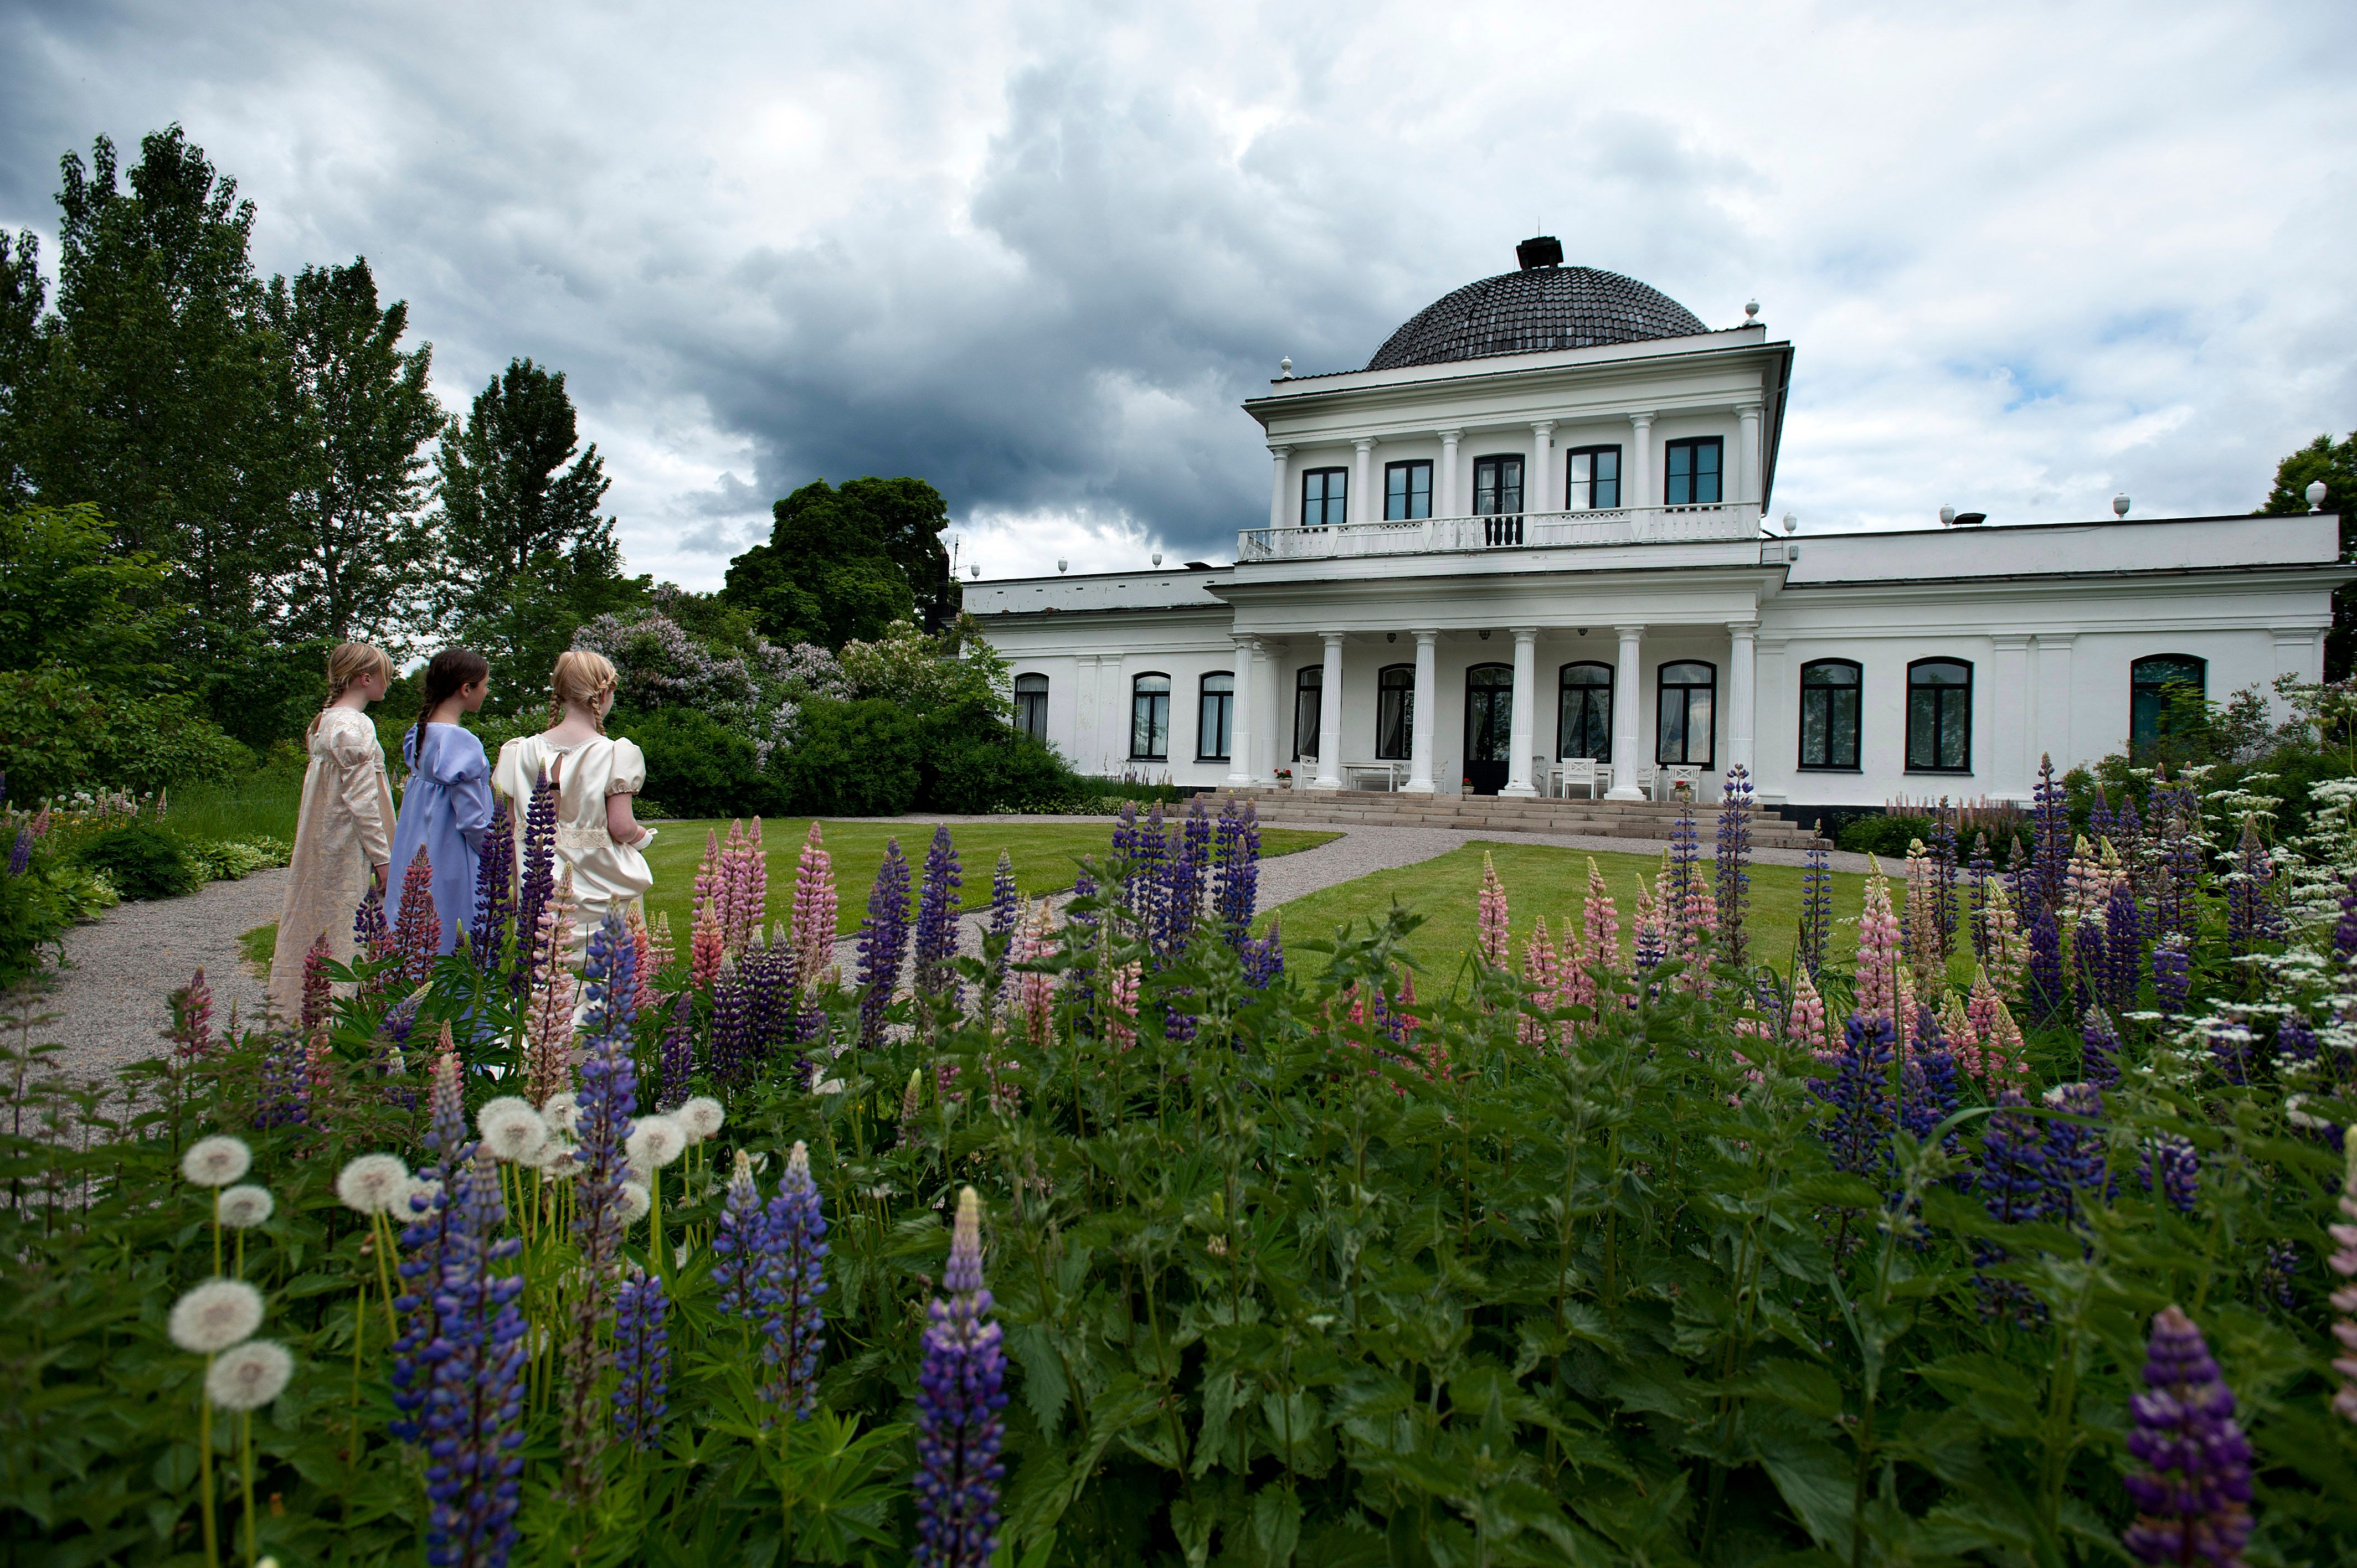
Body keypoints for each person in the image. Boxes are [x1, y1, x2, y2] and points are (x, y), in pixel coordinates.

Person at [492, 649, 655, 957]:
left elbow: (509, 827)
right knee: (606, 983)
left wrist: (515, 884)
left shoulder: (518, 752)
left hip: (538, 884)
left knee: (543, 982)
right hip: (602, 887)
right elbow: (621, 826)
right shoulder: (616, 753)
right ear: (604, 693)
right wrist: (643, 838)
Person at [268, 641, 397, 1018]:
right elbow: (362, 802)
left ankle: (306, 1010)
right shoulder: (354, 725)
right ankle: (337, 1018)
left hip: (323, 839)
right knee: (346, 926)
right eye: (385, 675)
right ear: (365, 678)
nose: (388, 683)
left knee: (318, 921)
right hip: (346, 842)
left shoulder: (326, 720)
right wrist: (383, 858)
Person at [388, 648, 495, 956]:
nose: (486, 692)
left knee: (414, 928)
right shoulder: (459, 742)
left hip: (417, 851)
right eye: (484, 685)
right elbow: (473, 821)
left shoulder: (420, 734)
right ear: (466, 689)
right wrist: (495, 855)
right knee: (450, 931)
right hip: (453, 857)